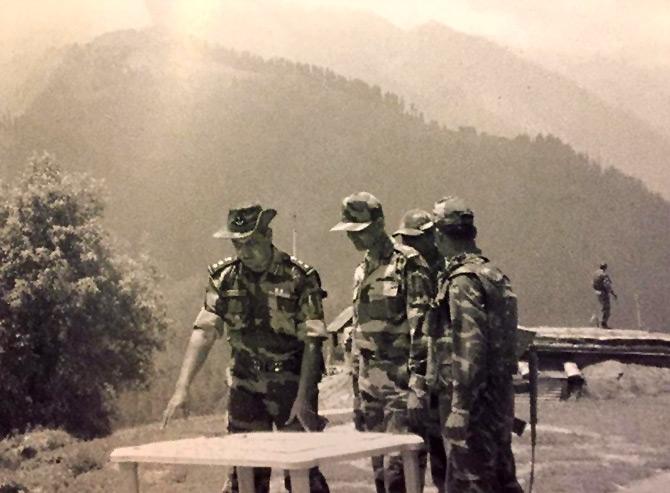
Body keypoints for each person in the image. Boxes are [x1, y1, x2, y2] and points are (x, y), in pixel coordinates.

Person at [161, 203, 330, 493]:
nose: (244, 251)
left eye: (251, 242)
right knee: (244, 475)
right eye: (237, 243)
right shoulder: (225, 278)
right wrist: (182, 388)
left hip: (290, 385)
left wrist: (304, 398)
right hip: (245, 386)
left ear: (268, 234)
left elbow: (312, 342)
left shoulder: (298, 277)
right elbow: (204, 332)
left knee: (302, 473)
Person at [330, 192, 433, 493]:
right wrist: (357, 394)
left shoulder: (408, 264)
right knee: (380, 473)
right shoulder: (362, 271)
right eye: (349, 232)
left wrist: (418, 387)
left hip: (401, 388)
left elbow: (422, 329)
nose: (354, 238)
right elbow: (359, 333)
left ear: (379, 224)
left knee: (399, 471)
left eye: (360, 231)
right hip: (369, 386)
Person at [431, 196, 523, 493]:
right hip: (497, 400)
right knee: (502, 478)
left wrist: (460, 407)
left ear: (440, 235)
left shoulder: (462, 281)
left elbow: (470, 344)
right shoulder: (493, 275)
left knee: (470, 481)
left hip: (474, 408)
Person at [392, 209, 448, 493]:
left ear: (432, 237)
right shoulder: (407, 270)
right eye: (405, 239)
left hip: (444, 377)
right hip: (415, 375)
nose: (409, 245)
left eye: (415, 239)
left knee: (444, 461)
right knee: (410, 456)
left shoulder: (449, 271)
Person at [593, 263, 617, 329]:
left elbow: (593, 282)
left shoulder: (595, 273)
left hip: (597, 292)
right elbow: (607, 285)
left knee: (600, 307)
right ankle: (603, 323)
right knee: (606, 308)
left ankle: (597, 322)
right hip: (603, 293)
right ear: (605, 267)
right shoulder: (604, 275)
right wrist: (613, 294)